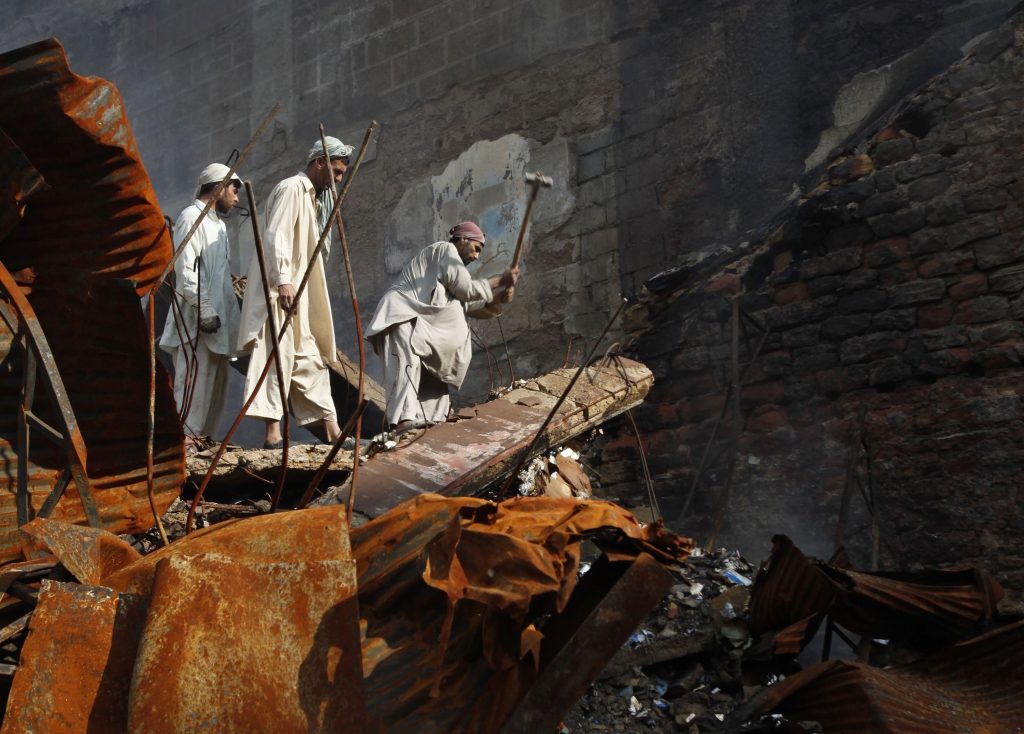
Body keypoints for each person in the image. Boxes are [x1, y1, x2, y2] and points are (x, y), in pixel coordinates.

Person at [237, 136, 351, 448]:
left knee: (310, 358)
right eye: (337, 172)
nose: (339, 179)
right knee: (276, 357)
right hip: (280, 291)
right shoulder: (291, 188)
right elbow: (276, 236)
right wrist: (284, 280)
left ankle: (334, 433)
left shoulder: (312, 197)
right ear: (319, 163)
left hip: (298, 293)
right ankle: (273, 436)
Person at [366, 221, 519, 433]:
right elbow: (466, 289)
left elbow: (471, 304)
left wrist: (500, 297)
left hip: (422, 329)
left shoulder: (448, 281)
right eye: (476, 248)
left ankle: (431, 425)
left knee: (434, 378)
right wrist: (499, 280)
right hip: (402, 318)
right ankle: (403, 420)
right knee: (406, 366)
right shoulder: (444, 250)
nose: (476, 257)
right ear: (463, 239)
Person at [159, 163, 243, 454]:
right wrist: (203, 305)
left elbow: (214, 271)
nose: (237, 197)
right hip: (197, 319)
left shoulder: (217, 225)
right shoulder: (190, 217)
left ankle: (202, 441)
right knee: (194, 382)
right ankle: (185, 442)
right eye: (234, 189)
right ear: (218, 187)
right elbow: (185, 269)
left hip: (218, 323)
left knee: (215, 387)